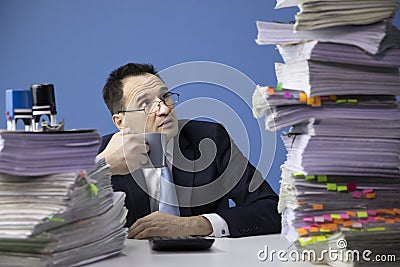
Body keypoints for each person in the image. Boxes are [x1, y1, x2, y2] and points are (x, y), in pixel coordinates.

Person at [97, 63, 281, 239]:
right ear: (120, 122)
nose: (164, 109)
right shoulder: (101, 156)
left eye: (165, 96)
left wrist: (193, 225)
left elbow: (271, 207)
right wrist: (102, 166)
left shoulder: (211, 139)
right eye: (145, 103)